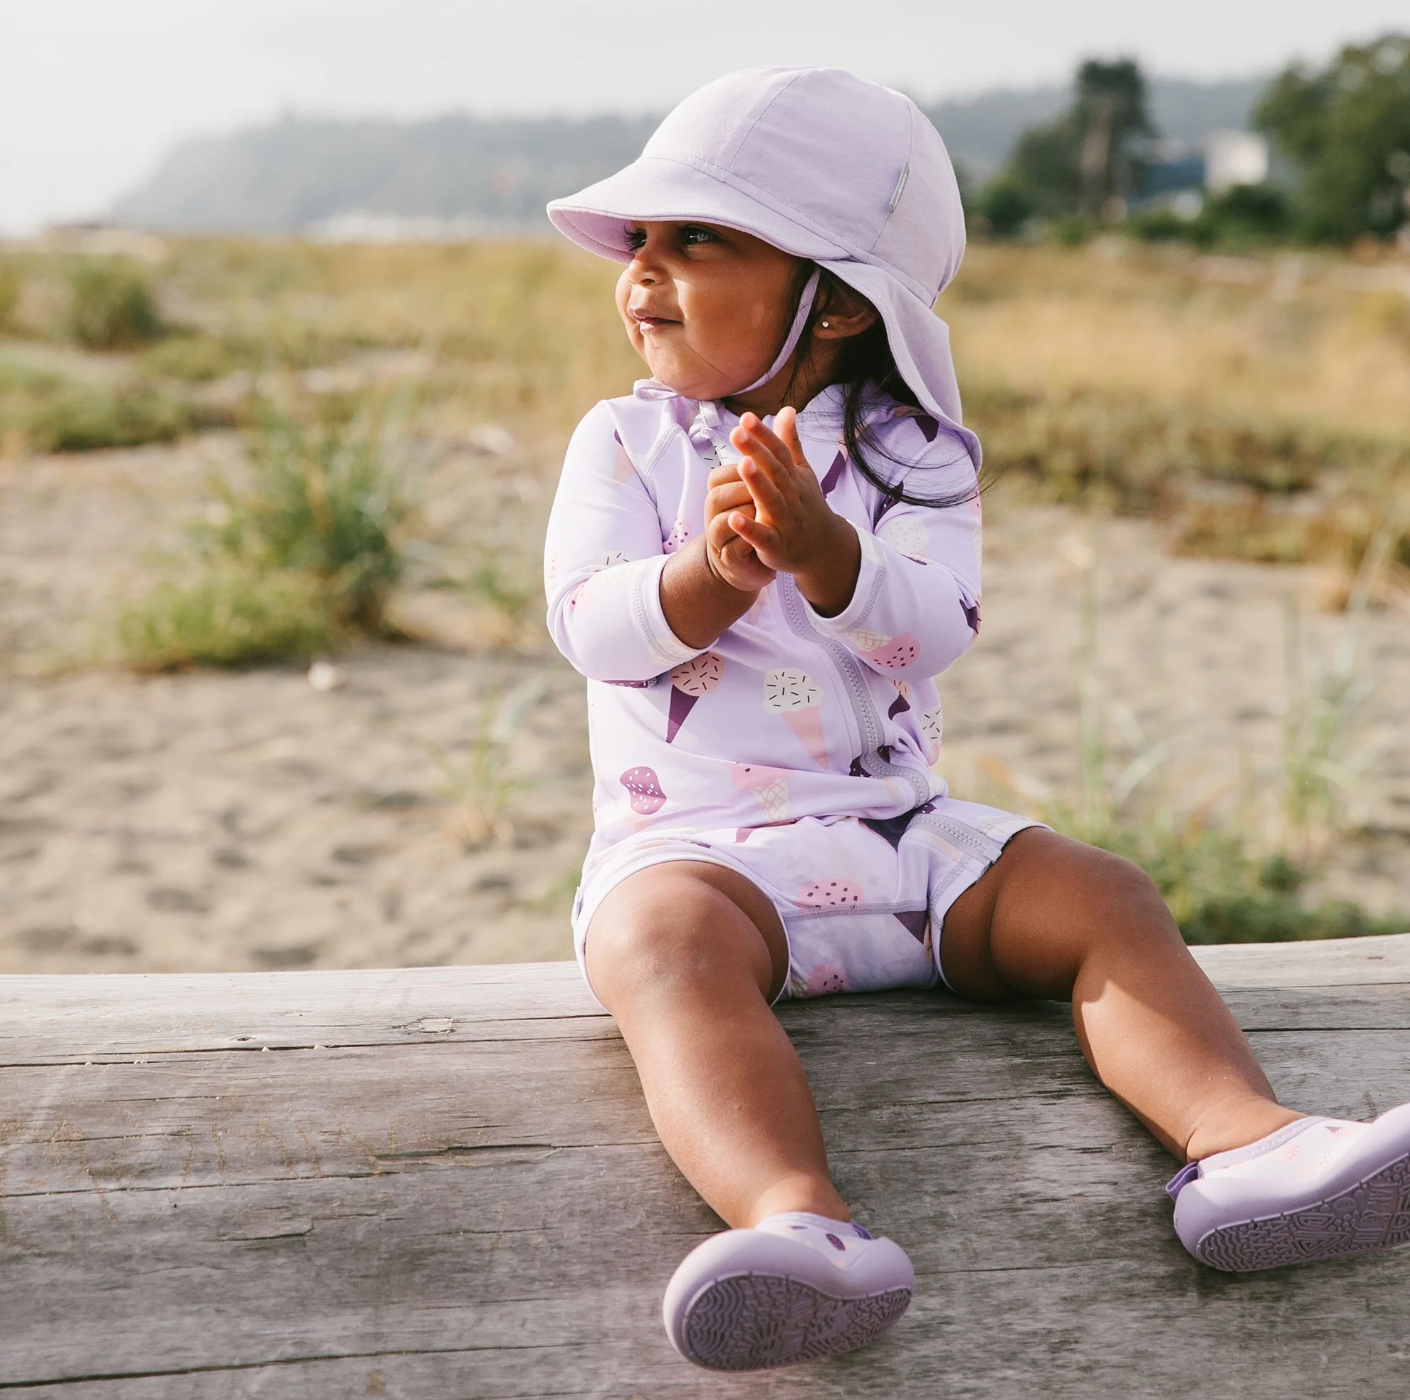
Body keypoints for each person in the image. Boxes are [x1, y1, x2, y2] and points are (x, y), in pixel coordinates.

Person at [541, 66, 1410, 1374]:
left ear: (838, 301)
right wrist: (708, 574)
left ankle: (1244, 1141)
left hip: (903, 841)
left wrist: (828, 554)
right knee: (654, 948)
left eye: (699, 237)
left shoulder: (915, 452)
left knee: (1103, 894)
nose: (642, 270)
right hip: (706, 854)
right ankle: (797, 1223)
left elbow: (932, 628)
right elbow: (590, 625)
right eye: (639, 238)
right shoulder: (624, 442)